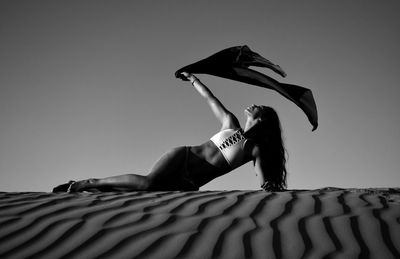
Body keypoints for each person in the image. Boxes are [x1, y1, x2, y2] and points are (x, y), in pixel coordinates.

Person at [53, 72, 287, 193]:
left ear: (262, 118)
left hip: (192, 181)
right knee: (147, 184)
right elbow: (210, 99)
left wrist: (270, 186)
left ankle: (93, 188)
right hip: (183, 157)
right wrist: (193, 79)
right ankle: (86, 183)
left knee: (145, 192)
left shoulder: (253, 149)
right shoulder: (231, 123)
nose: (254, 104)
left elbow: (264, 179)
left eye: (260, 107)